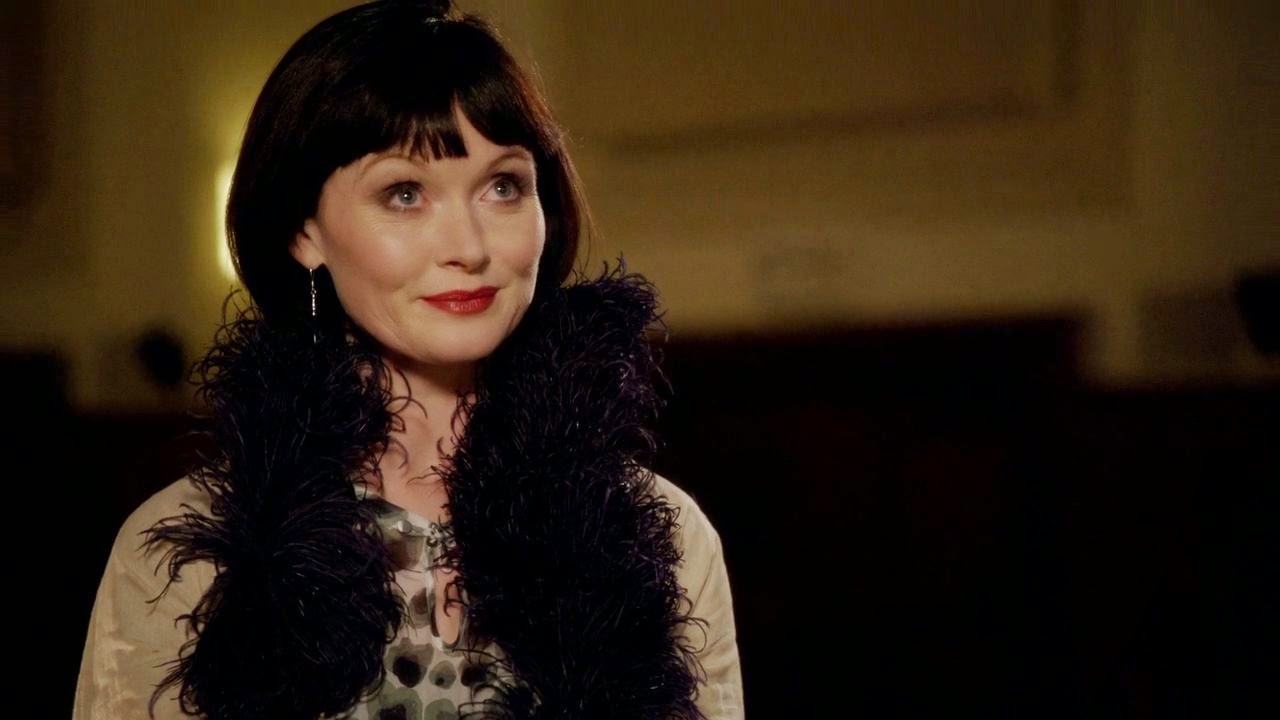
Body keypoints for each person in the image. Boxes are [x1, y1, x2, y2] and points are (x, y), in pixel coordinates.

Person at [71, 1, 744, 719]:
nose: (469, 246)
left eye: (504, 186)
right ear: (304, 232)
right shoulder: (195, 554)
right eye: (404, 194)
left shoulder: (656, 540)